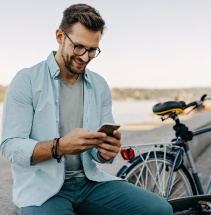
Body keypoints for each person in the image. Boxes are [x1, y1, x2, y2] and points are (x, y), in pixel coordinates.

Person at [0, 4, 172, 215]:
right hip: (41, 190)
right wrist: (60, 146)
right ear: (60, 36)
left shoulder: (99, 85)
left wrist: (107, 151)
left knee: (160, 210)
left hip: (90, 183)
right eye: (79, 47)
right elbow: (9, 146)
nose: (84, 57)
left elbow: (100, 154)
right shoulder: (26, 80)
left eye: (92, 50)